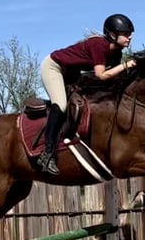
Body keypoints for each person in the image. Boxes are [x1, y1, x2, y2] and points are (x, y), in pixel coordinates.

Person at [37, 13, 137, 175]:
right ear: (113, 35)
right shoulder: (99, 45)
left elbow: (113, 78)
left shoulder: (116, 52)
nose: (129, 38)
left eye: (130, 34)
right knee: (61, 105)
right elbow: (101, 75)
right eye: (126, 34)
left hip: (72, 72)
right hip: (54, 67)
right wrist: (127, 65)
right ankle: (47, 154)